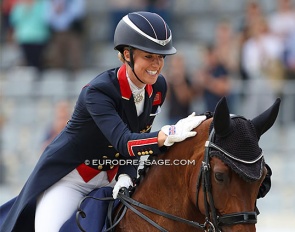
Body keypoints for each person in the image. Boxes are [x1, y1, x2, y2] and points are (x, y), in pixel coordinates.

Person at [0, 11, 206, 232]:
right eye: (149, 56)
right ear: (127, 54)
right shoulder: (98, 92)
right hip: (72, 180)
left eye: (161, 57)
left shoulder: (158, 87)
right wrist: (166, 134)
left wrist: (128, 174)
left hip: (112, 179)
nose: (157, 64)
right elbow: (125, 142)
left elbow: (138, 133)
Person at [9, 0, 51, 71]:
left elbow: (47, 19)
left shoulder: (42, 4)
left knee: (38, 61)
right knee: (27, 62)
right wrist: (24, 11)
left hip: (39, 37)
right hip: (24, 38)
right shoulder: (20, 5)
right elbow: (13, 20)